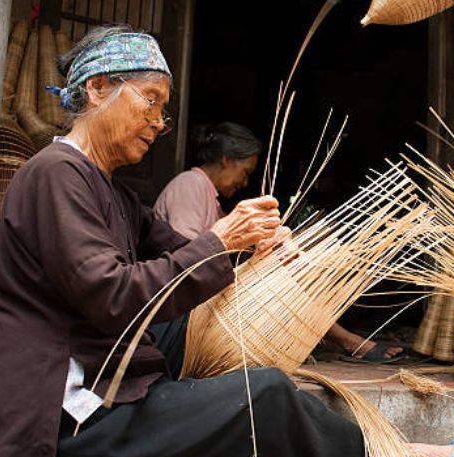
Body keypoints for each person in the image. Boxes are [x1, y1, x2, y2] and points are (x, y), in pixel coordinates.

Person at [0, 25, 454, 457]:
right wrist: (221, 240)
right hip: (71, 412)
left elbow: (174, 248)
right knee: (266, 393)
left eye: (164, 109)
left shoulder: (106, 187)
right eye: (150, 101)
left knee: (203, 315)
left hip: (106, 367)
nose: (159, 121)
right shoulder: (55, 175)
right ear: (97, 90)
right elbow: (113, 295)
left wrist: (258, 243)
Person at [152, 122, 406, 366]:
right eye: (245, 172)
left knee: (288, 268)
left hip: (197, 296)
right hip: (182, 309)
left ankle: (343, 340)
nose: (244, 182)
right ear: (226, 160)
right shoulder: (190, 184)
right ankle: (349, 342)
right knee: (284, 279)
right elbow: (186, 254)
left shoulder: (210, 196)